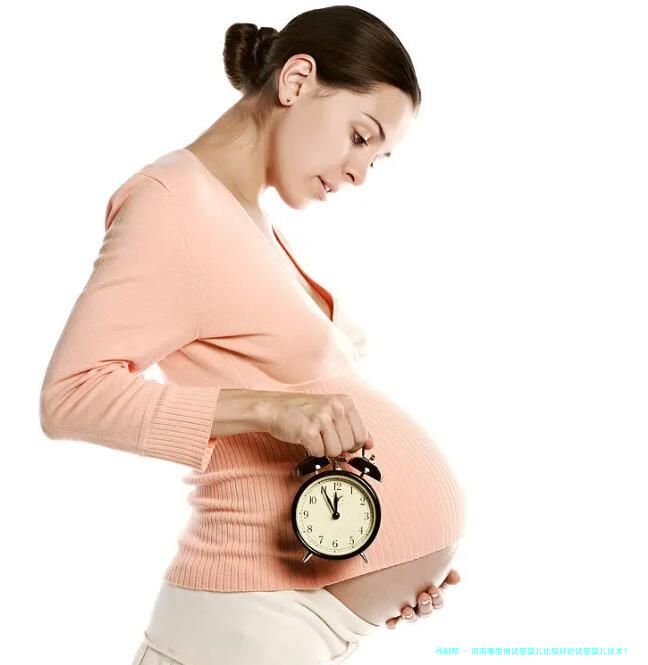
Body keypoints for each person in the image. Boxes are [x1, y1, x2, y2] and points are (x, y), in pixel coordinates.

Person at [39, 6, 465, 664]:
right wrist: (270, 409)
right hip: (244, 620)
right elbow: (70, 397)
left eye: (376, 160)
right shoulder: (171, 203)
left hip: (289, 617)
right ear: (296, 81)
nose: (359, 172)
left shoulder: (241, 214)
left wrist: (390, 567)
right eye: (360, 136)